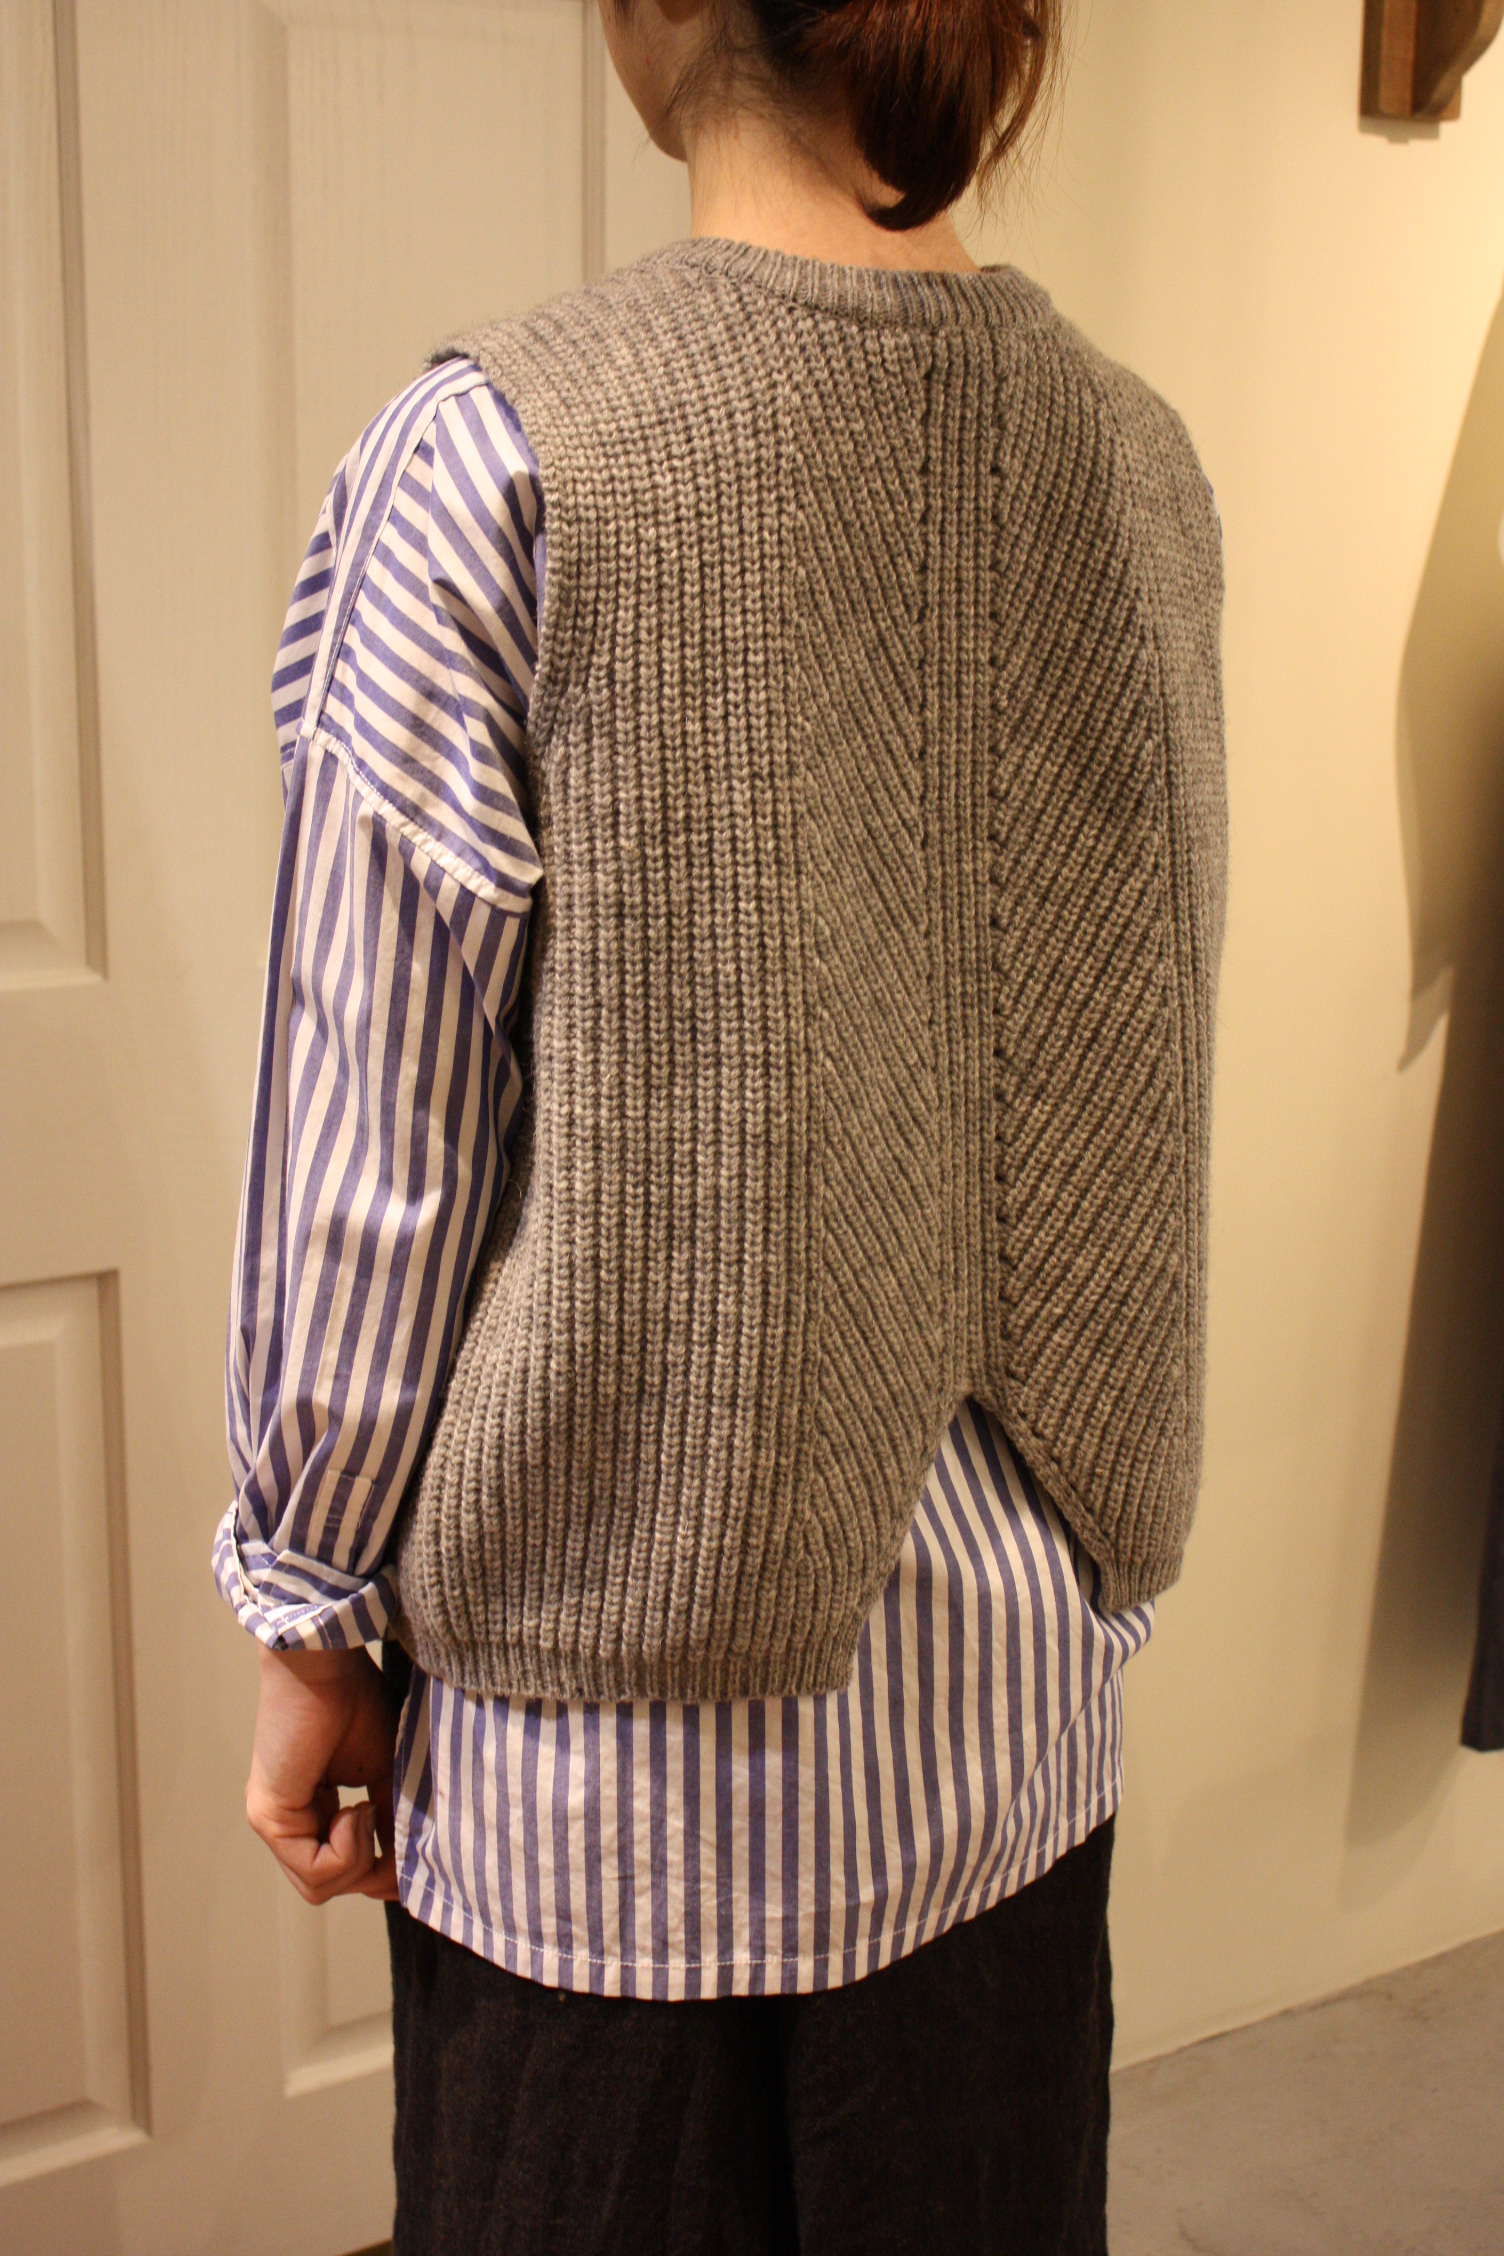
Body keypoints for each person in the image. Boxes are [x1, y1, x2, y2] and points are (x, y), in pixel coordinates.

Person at [217, 1, 1227, 2248]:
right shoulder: (1140, 460)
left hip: (620, 1799)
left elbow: (373, 1154)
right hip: (1010, 1740)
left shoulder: (497, 458)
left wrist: (307, 1614)